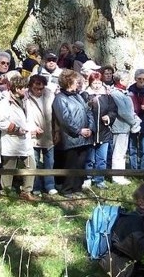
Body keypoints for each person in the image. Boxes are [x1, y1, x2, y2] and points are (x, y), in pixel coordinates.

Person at [99, 183, 144, 277]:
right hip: (122, 268)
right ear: (141, 203)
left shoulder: (141, 218)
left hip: (126, 263)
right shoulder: (133, 221)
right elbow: (143, 253)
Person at [0, 71, 38, 201]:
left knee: (31, 165)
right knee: (9, 168)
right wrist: (15, 129)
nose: (26, 90)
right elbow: (0, 121)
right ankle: (5, 191)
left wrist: (33, 128)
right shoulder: (5, 102)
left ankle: (26, 191)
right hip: (11, 139)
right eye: (24, 87)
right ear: (17, 88)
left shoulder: (25, 100)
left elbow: (27, 119)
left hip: (25, 140)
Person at [52, 69, 94, 197]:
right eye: (76, 81)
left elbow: (88, 111)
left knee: (80, 164)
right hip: (71, 137)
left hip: (85, 137)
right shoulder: (60, 98)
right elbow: (64, 119)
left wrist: (90, 128)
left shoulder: (78, 96)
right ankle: (66, 189)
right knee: (70, 164)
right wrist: (78, 130)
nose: (79, 83)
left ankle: (77, 188)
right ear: (68, 81)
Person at [24, 75, 58, 196]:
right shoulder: (26, 97)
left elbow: (55, 114)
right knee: (35, 160)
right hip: (33, 133)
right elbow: (24, 116)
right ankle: (36, 185)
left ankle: (50, 185)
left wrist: (56, 130)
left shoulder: (50, 95)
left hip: (48, 132)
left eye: (41, 88)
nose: (39, 91)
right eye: (36, 88)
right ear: (31, 87)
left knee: (50, 160)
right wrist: (31, 127)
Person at [81, 71, 115, 189]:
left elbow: (113, 110)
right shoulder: (85, 95)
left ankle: (99, 179)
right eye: (94, 83)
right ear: (90, 83)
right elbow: (83, 112)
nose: (96, 85)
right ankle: (87, 178)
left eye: (99, 82)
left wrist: (109, 117)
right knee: (89, 158)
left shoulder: (107, 96)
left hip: (104, 132)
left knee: (102, 158)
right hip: (90, 132)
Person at [109, 70, 141, 186]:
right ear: (121, 80)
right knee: (118, 152)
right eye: (127, 79)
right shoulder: (116, 93)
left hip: (125, 126)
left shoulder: (123, 92)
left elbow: (130, 110)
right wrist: (133, 122)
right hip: (119, 126)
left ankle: (120, 175)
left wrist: (135, 118)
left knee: (122, 152)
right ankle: (116, 177)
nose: (129, 82)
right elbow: (123, 111)